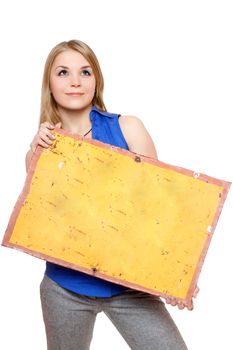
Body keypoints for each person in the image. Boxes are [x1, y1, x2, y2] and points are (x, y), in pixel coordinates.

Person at [25, 39, 189, 350]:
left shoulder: (129, 128)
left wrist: (173, 280)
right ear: (49, 83)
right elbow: (45, 224)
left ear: (96, 80)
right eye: (63, 72)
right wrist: (36, 151)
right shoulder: (40, 150)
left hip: (129, 286)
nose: (75, 81)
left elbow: (161, 211)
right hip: (64, 288)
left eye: (85, 72)